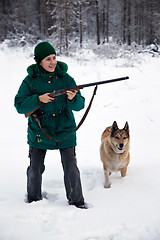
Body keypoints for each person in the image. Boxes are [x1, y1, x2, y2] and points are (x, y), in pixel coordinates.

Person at [14, 41, 87, 209]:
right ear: (39, 61)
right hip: (39, 130)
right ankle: (33, 200)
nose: (53, 62)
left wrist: (72, 98)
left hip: (65, 129)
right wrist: (38, 99)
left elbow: (80, 105)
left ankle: (77, 202)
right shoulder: (30, 81)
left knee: (71, 167)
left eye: (54, 57)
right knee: (35, 168)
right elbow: (19, 105)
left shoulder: (66, 78)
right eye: (48, 59)